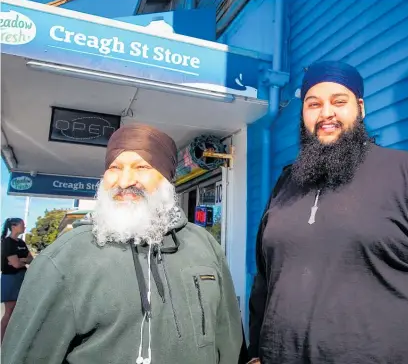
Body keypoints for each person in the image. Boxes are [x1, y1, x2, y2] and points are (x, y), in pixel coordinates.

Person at [248, 61, 408, 364]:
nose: (326, 114)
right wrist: (257, 351)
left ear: (359, 108)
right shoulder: (286, 182)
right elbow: (264, 281)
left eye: (339, 102)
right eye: (314, 104)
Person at [2, 123, 244, 364]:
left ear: (167, 180)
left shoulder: (203, 243)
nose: (126, 180)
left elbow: (228, 334)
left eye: (142, 167)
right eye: (115, 168)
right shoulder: (65, 257)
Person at [1, 217, 32, 344]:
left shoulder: (21, 243)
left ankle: (14, 339)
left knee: (20, 311)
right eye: (22, 225)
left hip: (22, 278)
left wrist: (22, 260)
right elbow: (15, 265)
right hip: (10, 279)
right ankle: (2, 341)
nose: (24, 227)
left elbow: (31, 259)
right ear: (14, 226)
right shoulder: (7, 242)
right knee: (10, 311)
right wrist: (21, 260)